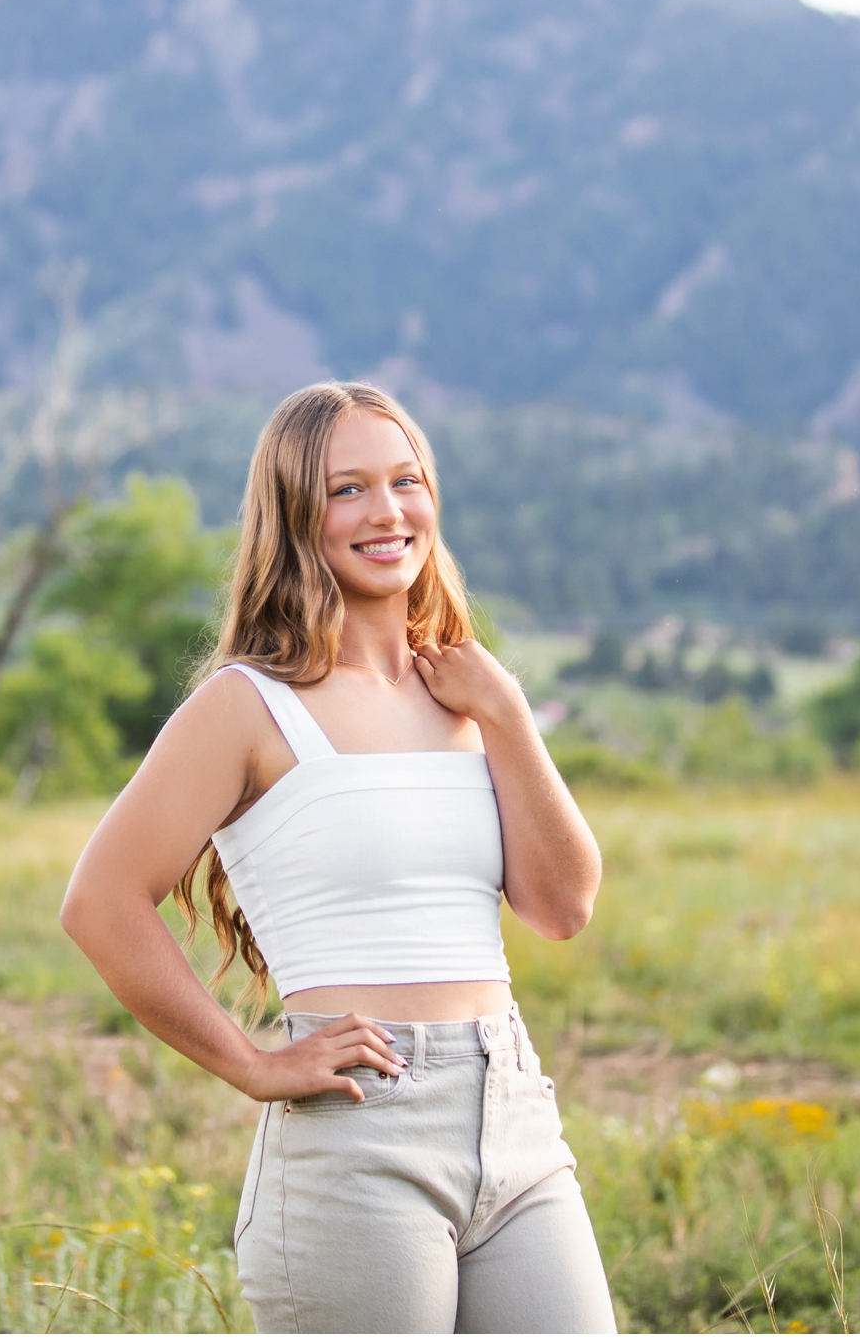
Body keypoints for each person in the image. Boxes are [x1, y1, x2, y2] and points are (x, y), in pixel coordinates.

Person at [60, 381, 617, 1333]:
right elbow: (101, 901)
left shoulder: (469, 695)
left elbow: (562, 906)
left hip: (514, 1112)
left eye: (406, 480)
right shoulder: (247, 705)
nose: (387, 511)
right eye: (347, 489)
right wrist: (252, 1063)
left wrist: (508, 713)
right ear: (293, 515)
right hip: (361, 1132)